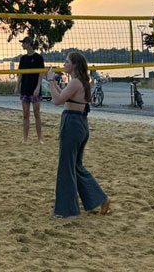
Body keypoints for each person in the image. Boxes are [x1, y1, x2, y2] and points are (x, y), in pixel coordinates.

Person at [46, 51, 110, 219]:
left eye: (67, 62)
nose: (64, 64)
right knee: (75, 166)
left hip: (72, 124)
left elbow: (57, 100)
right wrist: (54, 83)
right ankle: (100, 198)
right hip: (80, 124)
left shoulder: (75, 82)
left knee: (66, 168)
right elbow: (63, 96)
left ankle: (68, 211)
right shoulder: (81, 82)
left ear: (74, 65)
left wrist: (50, 81)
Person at [13, 36, 44, 144]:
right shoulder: (23, 59)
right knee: (25, 114)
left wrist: (38, 87)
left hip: (35, 89)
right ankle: (25, 138)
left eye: (23, 43)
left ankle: (39, 139)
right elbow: (20, 74)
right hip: (25, 88)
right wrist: (17, 86)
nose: (22, 45)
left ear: (28, 44)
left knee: (36, 114)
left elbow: (41, 74)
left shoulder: (38, 58)